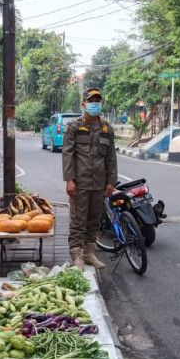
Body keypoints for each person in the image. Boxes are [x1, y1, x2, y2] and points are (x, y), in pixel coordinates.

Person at [62, 87, 118, 270]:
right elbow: (68, 154)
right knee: (78, 220)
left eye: (97, 100)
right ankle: (77, 256)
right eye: (91, 100)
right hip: (80, 183)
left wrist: (111, 181)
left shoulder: (106, 128)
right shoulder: (75, 127)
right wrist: (69, 179)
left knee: (94, 220)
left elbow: (110, 157)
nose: (95, 103)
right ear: (83, 103)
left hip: (99, 183)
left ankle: (88, 253)